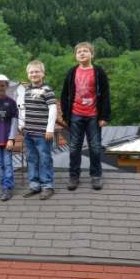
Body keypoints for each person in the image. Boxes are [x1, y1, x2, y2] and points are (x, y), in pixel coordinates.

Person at [61, 42, 111, 191]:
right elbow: (64, 95)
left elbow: (106, 95)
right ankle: (73, 176)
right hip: (76, 115)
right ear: (75, 56)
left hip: (94, 116)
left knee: (95, 147)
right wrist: (65, 115)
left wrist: (104, 116)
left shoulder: (98, 72)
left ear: (92, 54)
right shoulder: (72, 72)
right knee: (74, 147)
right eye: (79, 52)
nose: (82, 53)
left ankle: (96, 176)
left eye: (85, 51)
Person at [21, 60, 57, 200]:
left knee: (44, 158)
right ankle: (34, 185)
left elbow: (53, 110)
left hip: (43, 133)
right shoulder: (27, 90)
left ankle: (47, 186)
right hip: (29, 132)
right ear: (27, 74)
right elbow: (24, 108)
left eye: (37, 71)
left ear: (43, 73)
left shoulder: (47, 90)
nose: (34, 74)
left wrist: (50, 129)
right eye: (31, 72)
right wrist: (22, 125)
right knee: (31, 158)